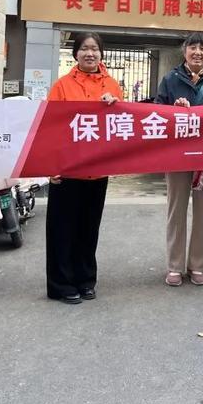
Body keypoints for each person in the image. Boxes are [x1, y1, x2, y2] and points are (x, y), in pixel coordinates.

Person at [46, 32, 122, 304]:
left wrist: (115, 105)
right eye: (85, 48)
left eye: (95, 49)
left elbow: (121, 125)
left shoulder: (112, 85)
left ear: (101, 53)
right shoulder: (62, 86)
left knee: (89, 230)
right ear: (75, 53)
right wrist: (51, 166)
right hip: (67, 171)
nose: (90, 53)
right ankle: (61, 284)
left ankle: (86, 280)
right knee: (62, 230)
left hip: (97, 170)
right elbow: (49, 128)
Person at [155, 33, 203, 287]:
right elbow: (156, 115)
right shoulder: (170, 80)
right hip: (176, 156)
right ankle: (174, 266)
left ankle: (197, 265)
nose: (197, 52)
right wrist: (173, 110)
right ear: (184, 51)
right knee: (176, 210)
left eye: (202, 48)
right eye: (193, 47)